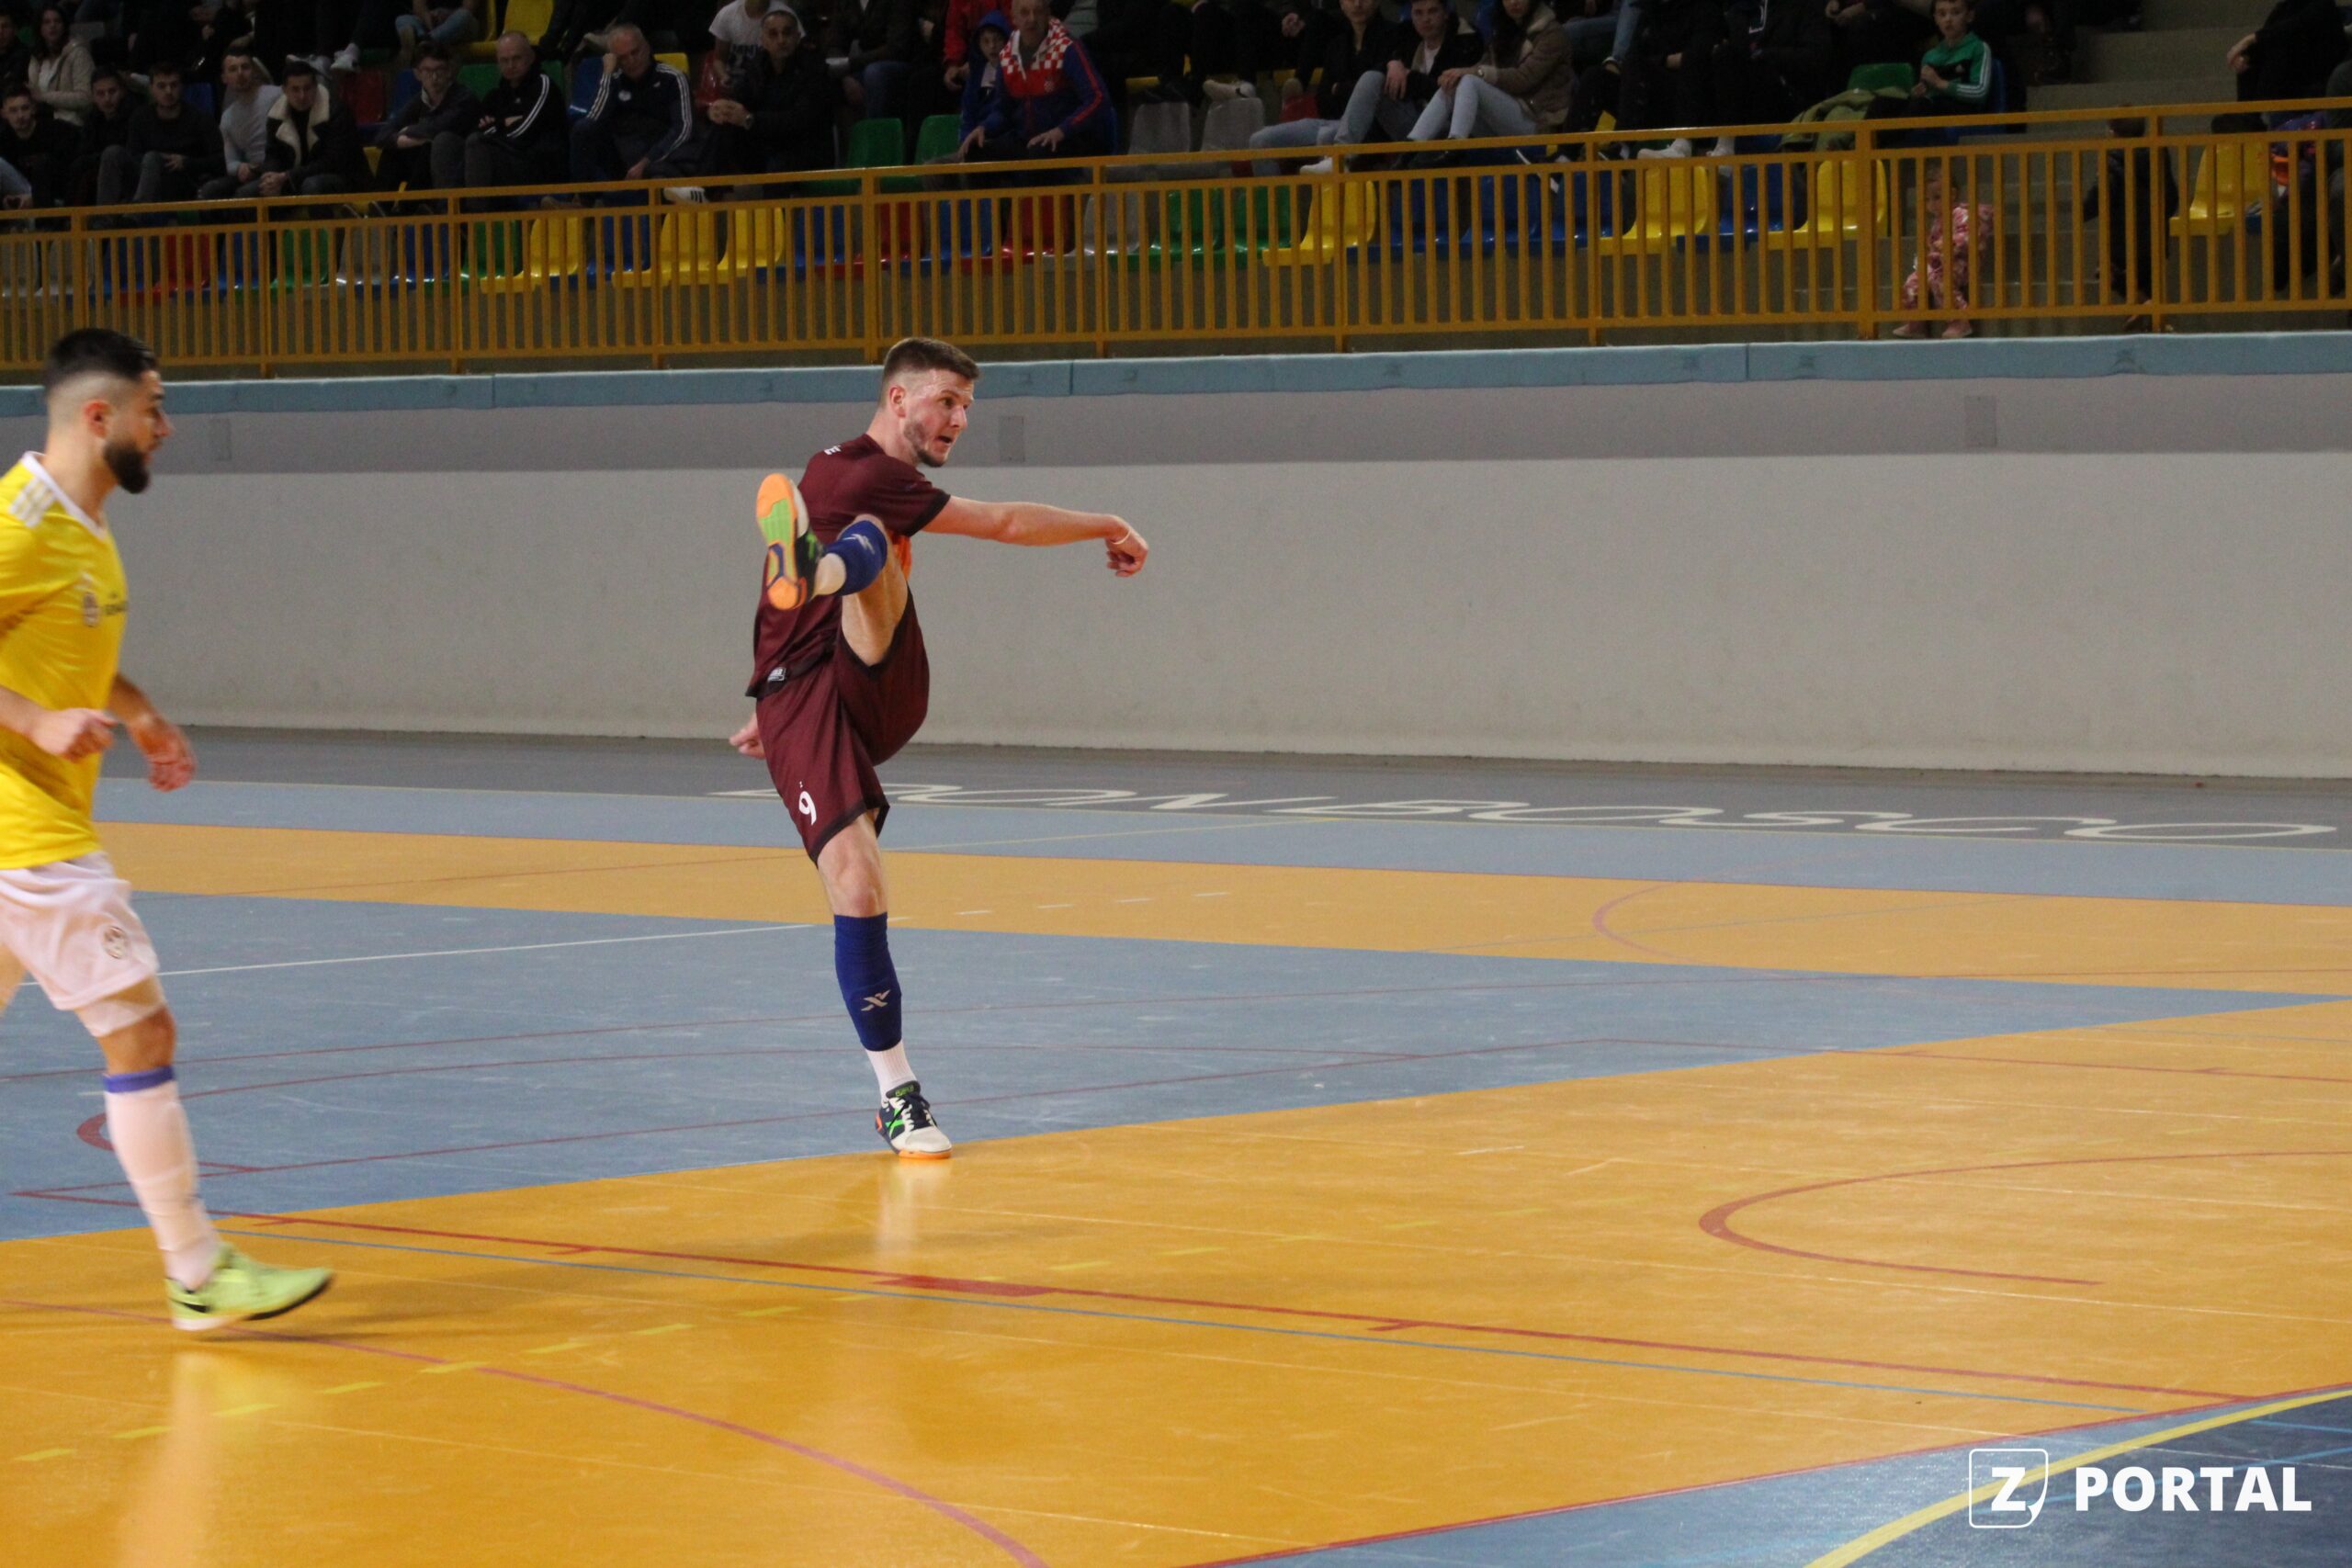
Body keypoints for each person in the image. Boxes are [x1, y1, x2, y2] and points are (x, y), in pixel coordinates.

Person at [730, 337, 1148, 1159]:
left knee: (870, 545)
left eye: (966, 406)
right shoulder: (856, 475)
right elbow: (1005, 521)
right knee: (858, 885)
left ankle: (822, 572)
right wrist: (1111, 522)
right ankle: (898, 1097)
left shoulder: (843, 475)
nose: (958, 418)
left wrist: (772, 687)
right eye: (946, 401)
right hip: (809, 695)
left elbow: (782, 606)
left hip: (868, 676)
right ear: (898, 400)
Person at [0, 328, 334, 1330]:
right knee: (139, 1029)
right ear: (99, 416)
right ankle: (198, 1272)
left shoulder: (83, 523)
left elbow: (69, 650)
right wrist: (35, 722)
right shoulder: (21, 525)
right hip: (26, 834)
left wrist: (139, 713)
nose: (168, 427)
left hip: (31, 825)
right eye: (155, 407)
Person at [1403, 0, 1571, 159]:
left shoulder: (1552, 34)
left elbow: (1523, 79)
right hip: (1504, 117)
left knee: (1469, 80)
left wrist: (1477, 72)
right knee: (1455, 84)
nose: (1513, 2)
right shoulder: (1503, 30)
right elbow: (1482, 66)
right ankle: (1411, 148)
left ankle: (1455, 147)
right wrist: (1454, 76)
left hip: (1538, 123)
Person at [1245, 0, 1400, 172]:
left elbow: (1379, 90)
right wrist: (1346, 91)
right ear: (1341, 4)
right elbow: (1323, 101)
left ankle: (1328, 186)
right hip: (1330, 120)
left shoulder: (1393, 36)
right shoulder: (1337, 44)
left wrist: (1339, 89)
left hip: (1369, 126)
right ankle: (1273, 191)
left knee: (1326, 136)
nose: (1357, 4)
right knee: (1259, 140)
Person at [959, 0, 1113, 169]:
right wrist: (984, 128)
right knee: (975, 154)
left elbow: (1098, 98)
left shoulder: (1067, 48)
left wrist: (1062, 130)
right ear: (1014, 18)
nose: (1032, 19)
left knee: (1037, 156)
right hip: (1027, 141)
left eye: (1038, 12)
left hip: (1070, 138)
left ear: (1047, 14)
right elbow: (1003, 110)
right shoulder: (1007, 56)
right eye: (1024, 13)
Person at [704, 6, 839, 179]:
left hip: (805, 149)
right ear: (763, 41)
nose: (781, 40)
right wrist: (719, 109)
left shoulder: (814, 69)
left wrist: (749, 120)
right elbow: (739, 98)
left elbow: (799, 121)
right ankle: (701, 187)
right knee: (724, 122)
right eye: (773, 34)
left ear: (798, 37)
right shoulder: (757, 65)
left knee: (779, 164)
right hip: (768, 144)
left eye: (787, 33)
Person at [568, 23, 695, 194]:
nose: (631, 61)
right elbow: (592, 119)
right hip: (621, 158)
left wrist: (646, 161)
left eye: (635, 52)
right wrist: (607, 76)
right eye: (622, 58)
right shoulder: (614, 81)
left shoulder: (673, 78)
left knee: (663, 172)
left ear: (647, 47)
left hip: (659, 157)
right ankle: (582, 199)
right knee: (583, 129)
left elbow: (683, 129)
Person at [95, 60, 220, 210]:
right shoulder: (140, 117)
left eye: (173, 85)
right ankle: (103, 218)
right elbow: (133, 153)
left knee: (152, 157)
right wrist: (158, 158)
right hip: (143, 177)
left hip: (182, 179)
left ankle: (136, 217)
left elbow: (219, 160)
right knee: (112, 152)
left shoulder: (200, 118)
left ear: (182, 87)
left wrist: (187, 162)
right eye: (161, 86)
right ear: (151, 89)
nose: (168, 91)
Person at [1892, 156, 1988, 335]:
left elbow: (1968, 236)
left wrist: (1949, 243)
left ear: (1952, 194)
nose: (1932, 204)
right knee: (1912, 282)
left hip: (1960, 263)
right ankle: (1915, 320)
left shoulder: (1960, 214)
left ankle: (1959, 319)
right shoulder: (1937, 221)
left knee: (1941, 280)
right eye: (1927, 200)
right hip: (1939, 263)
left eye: (1937, 198)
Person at [462, 29, 568, 194]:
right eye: (504, 60)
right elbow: (476, 130)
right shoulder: (494, 97)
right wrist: (504, 123)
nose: (510, 65)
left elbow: (524, 132)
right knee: (449, 142)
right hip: (508, 161)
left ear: (531, 57)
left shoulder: (543, 85)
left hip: (539, 165)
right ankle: (447, 205)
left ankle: (474, 209)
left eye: (516, 58)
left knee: (478, 145)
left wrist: (496, 126)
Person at [372, 39, 479, 190]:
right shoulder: (417, 102)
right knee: (392, 153)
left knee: (429, 149)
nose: (434, 77)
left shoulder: (464, 98)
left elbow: (439, 127)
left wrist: (407, 130)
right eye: (427, 71)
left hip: (456, 164)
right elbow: (381, 136)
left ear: (449, 70)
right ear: (417, 74)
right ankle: (379, 202)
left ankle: (413, 203)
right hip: (425, 163)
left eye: (439, 70)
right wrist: (410, 140)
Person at [197, 44, 278, 201]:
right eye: (233, 69)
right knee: (208, 191)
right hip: (251, 171)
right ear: (224, 78)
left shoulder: (276, 95)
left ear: (254, 71)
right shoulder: (227, 117)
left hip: (276, 166)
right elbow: (230, 161)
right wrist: (240, 167)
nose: (240, 73)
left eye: (245, 67)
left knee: (244, 194)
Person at [26, 6, 93, 127]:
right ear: (40, 28)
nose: (52, 25)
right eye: (47, 22)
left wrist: (44, 97)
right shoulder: (37, 57)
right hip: (42, 121)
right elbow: (32, 94)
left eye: (57, 21)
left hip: (72, 123)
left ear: (64, 26)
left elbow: (86, 98)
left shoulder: (78, 54)